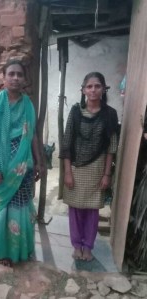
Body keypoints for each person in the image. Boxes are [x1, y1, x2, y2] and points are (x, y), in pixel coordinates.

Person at [0, 60, 41, 265]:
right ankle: (3, 253)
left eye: (19, 74)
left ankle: (22, 251)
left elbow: (32, 135)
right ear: (3, 78)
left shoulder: (28, 105)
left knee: (22, 209)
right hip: (0, 169)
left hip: (23, 168)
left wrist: (39, 161)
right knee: (2, 211)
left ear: (24, 79)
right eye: (11, 74)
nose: (15, 78)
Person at [60, 72, 118, 261]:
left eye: (97, 86)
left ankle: (88, 247)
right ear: (83, 90)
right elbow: (67, 143)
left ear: (103, 89)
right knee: (75, 209)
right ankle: (77, 245)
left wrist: (107, 174)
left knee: (92, 210)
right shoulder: (76, 112)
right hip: (76, 168)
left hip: (98, 168)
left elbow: (111, 147)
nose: (93, 90)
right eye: (89, 86)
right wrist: (67, 172)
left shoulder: (110, 114)